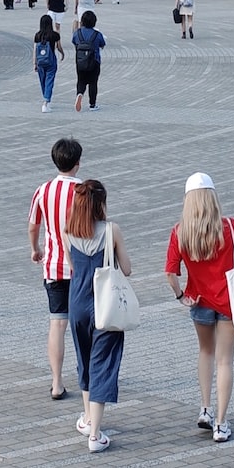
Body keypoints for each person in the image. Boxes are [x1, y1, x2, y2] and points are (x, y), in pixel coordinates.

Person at [164, 172, 234, 443]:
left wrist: (181, 296)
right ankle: (222, 424)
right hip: (228, 302)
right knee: (225, 361)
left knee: (205, 352)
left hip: (199, 300)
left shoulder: (180, 231)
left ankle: (205, 408)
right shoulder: (230, 226)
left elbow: (170, 272)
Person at [64, 179, 130, 453]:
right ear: (101, 203)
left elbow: (72, 267)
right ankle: (95, 434)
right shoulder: (111, 231)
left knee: (85, 359)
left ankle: (87, 416)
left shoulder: (68, 232)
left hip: (77, 303)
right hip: (105, 305)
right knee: (102, 363)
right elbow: (126, 268)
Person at [28, 137, 83, 400]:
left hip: (53, 266)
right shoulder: (85, 190)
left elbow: (32, 225)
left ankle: (56, 381)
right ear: (78, 163)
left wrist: (35, 248)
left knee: (57, 324)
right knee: (85, 324)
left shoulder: (43, 190)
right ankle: (87, 374)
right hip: (81, 269)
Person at [70, 10, 106, 112]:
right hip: (94, 61)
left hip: (80, 61)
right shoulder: (97, 34)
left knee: (81, 80)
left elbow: (74, 42)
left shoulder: (78, 33)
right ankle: (92, 104)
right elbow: (102, 44)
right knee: (93, 82)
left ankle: (79, 94)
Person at [32, 14, 64, 112]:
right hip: (51, 61)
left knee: (43, 81)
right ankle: (46, 102)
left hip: (40, 61)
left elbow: (34, 50)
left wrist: (34, 63)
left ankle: (46, 99)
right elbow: (58, 47)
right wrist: (62, 53)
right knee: (49, 81)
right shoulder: (54, 35)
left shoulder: (37, 35)